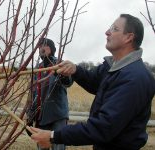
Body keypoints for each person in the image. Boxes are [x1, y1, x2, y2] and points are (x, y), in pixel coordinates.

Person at [30, 14, 155, 150]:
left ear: (128, 37)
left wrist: (54, 136)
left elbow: (104, 127)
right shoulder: (112, 66)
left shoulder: (134, 78)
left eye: (114, 29)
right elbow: (94, 81)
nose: (107, 32)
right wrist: (75, 69)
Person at [26, 38, 73, 150]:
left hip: (57, 115)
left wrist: (61, 74)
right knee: (42, 147)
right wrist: (30, 116)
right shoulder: (38, 69)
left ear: (51, 49)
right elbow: (34, 93)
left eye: (44, 45)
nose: (40, 48)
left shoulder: (59, 64)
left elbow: (68, 81)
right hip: (41, 117)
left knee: (58, 147)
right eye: (39, 46)